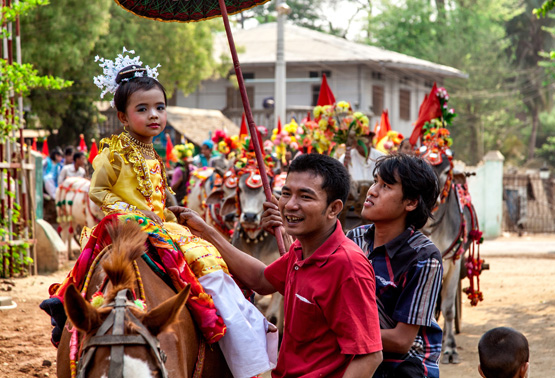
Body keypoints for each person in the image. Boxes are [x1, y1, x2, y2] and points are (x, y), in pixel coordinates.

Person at [42, 50, 276, 378]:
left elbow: (158, 195)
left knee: (211, 265)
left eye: (160, 107)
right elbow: (98, 192)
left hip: (161, 225)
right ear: (123, 117)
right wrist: (133, 211)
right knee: (85, 275)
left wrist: (172, 208)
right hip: (123, 223)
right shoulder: (114, 154)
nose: (154, 115)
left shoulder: (153, 154)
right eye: (143, 109)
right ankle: (65, 312)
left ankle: (239, 341)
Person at [172, 153, 384, 377]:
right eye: (286, 194)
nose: (290, 205)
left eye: (305, 197)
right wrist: (206, 232)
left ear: (333, 209)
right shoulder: (301, 249)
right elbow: (262, 280)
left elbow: (369, 356)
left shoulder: (347, 266)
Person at [346, 154, 443, 378]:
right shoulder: (354, 240)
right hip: (358, 353)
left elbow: (401, 341)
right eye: (375, 182)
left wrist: (338, 332)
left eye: (386, 186)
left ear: (410, 203)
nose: (372, 191)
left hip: (403, 363)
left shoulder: (424, 257)